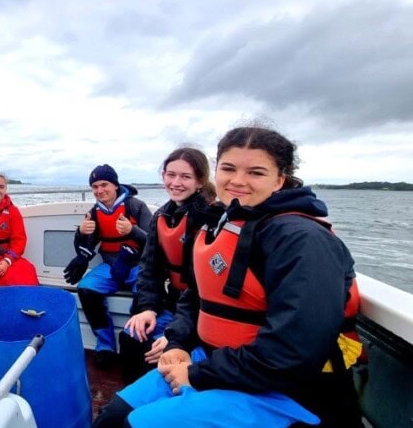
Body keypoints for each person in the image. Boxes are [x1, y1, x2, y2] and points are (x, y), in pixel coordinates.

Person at [93, 126, 363, 428]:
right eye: (229, 168)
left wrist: (196, 374)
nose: (238, 181)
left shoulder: (301, 240)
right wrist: (178, 344)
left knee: (135, 424)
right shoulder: (222, 222)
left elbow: (293, 351)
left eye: (256, 172)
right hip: (213, 359)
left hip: (288, 390)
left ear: (280, 179)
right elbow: (195, 296)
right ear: (216, 171)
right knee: (113, 417)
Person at [118, 148, 218, 384]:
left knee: (159, 352)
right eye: (170, 175)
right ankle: (133, 403)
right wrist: (148, 308)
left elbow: (211, 288)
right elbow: (149, 269)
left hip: (201, 314)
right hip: (171, 303)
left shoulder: (212, 218)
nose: (176, 183)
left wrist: (176, 340)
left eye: (185, 177)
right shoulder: (162, 216)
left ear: (200, 181)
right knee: (132, 336)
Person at [64, 164, 152, 370]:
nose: (99, 190)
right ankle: (105, 345)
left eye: (104, 184)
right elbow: (86, 247)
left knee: (145, 295)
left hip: (137, 265)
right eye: (94, 186)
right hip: (111, 266)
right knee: (86, 289)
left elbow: (154, 243)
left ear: (115, 185)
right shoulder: (94, 212)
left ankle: (137, 341)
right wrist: (81, 234)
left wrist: (133, 231)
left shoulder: (136, 207)